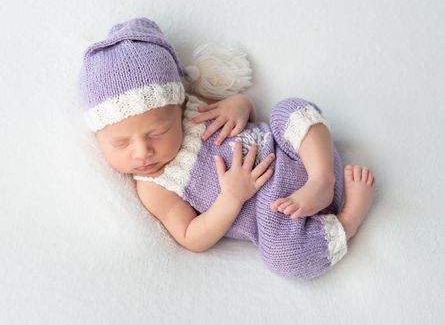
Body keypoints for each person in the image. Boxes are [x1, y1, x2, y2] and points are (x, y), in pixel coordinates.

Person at [79, 17, 376, 279]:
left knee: (288, 110)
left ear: (178, 105)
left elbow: (250, 115)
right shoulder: (154, 186)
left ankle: (323, 180)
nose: (142, 152)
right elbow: (191, 237)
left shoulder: (195, 111)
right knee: (282, 256)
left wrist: (240, 105)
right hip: (277, 215)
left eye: (159, 132)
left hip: (298, 157)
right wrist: (231, 198)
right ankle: (348, 220)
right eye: (120, 143)